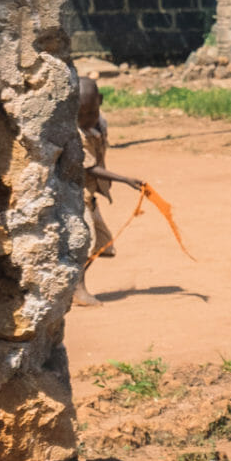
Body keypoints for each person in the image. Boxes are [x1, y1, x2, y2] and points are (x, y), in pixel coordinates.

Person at [76, 77, 144, 306]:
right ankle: (77, 288)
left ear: (100, 102)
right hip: (77, 196)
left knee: (103, 244)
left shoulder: (99, 125)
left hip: (90, 196)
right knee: (85, 243)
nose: (85, 119)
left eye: (90, 113)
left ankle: (71, 284)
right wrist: (125, 179)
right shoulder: (77, 134)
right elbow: (91, 167)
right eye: (80, 115)